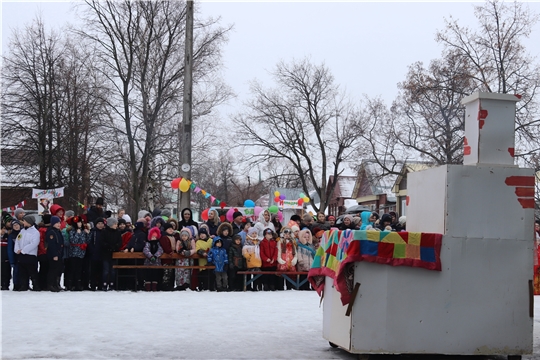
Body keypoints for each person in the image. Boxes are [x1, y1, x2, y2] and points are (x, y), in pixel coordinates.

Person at [14, 215, 41, 291]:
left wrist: (24, 250)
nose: (23, 222)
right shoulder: (22, 231)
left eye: (24, 221)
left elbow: (34, 243)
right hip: (21, 255)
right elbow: (17, 240)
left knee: (32, 272)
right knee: (23, 272)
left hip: (30, 255)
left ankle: (36, 286)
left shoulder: (35, 232)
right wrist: (17, 249)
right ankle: (24, 285)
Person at [68, 216, 90, 291]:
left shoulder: (83, 230)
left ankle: (79, 284)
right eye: (78, 222)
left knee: (80, 269)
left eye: (80, 222)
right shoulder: (72, 231)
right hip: (74, 253)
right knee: (73, 269)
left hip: (81, 253)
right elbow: (73, 241)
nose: (79, 224)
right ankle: (72, 284)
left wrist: (88, 234)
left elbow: (87, 241)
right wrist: (77, 234)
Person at [101, 217, 121, 291]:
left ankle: (112, 283)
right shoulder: (104, 232)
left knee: (113, 270)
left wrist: (115, 247)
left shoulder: (117, 232)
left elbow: (119, 242)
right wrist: (108, 246)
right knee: (106, 270)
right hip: (106, 253)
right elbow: (102, 242)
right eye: (115, 224)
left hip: (114, 253)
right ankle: (104, 283)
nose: (116, 225)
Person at [86, 217, 105, 291]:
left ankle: (100, 284)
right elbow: (89, 242)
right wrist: (92, 250)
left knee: (101, 270)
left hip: (102, 253)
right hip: (94, 253)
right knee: (93, 270)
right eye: (99, 224)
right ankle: (93, 284)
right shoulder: (93, 232)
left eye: (102, 224)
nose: (100, 225)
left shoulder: (104, 232)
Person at [45, 216, 64, 292]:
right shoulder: (51, 232)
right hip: (54, 255)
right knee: (53, 270)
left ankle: (56, 284)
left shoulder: (57, 231)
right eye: (57, 223)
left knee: (58, 270)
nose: (59, 224)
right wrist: (54, 254)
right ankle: (51, 284)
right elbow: (52, 245)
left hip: (59, 254)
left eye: (59, 223)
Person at [143, 227, 163, 292]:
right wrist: (151, 256)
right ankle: (148, 287)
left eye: (155, 237)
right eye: (152, 237)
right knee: (148, 274)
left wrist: (156, 256)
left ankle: (154, 287)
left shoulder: (158, 243)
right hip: (148, 262)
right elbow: (146, 250)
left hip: (156, 262)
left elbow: (160, 250)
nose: (154, 238)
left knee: (155, 274)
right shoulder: (148, 243)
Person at [196, 226, 213, 291]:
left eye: (203, 234)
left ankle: (210, 286)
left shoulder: (211, 240)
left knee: (210, 273)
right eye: (200, 234)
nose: (202, 235)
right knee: (202, 273)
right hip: (202, 260)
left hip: (210, 260)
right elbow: (198, 249)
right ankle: (202, 286)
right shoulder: (198, 242)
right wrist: (202, 252)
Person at [7, 219, 22, 291]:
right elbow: (10, 248)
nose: (16, 227)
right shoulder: (11, 236)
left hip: (23, 255)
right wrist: (11, 260)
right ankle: (16, 285)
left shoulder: (22, 233)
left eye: (17, 225)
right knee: (16, 271)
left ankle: (23, 284)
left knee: (23, 271)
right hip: (15, 256)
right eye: (14, 225)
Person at [1, 223, 11, 290]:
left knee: (6, 272)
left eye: (4, 229)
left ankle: (5, 284)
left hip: (5, 258)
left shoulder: (7, 237)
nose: (3, 230)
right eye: (2, 229)